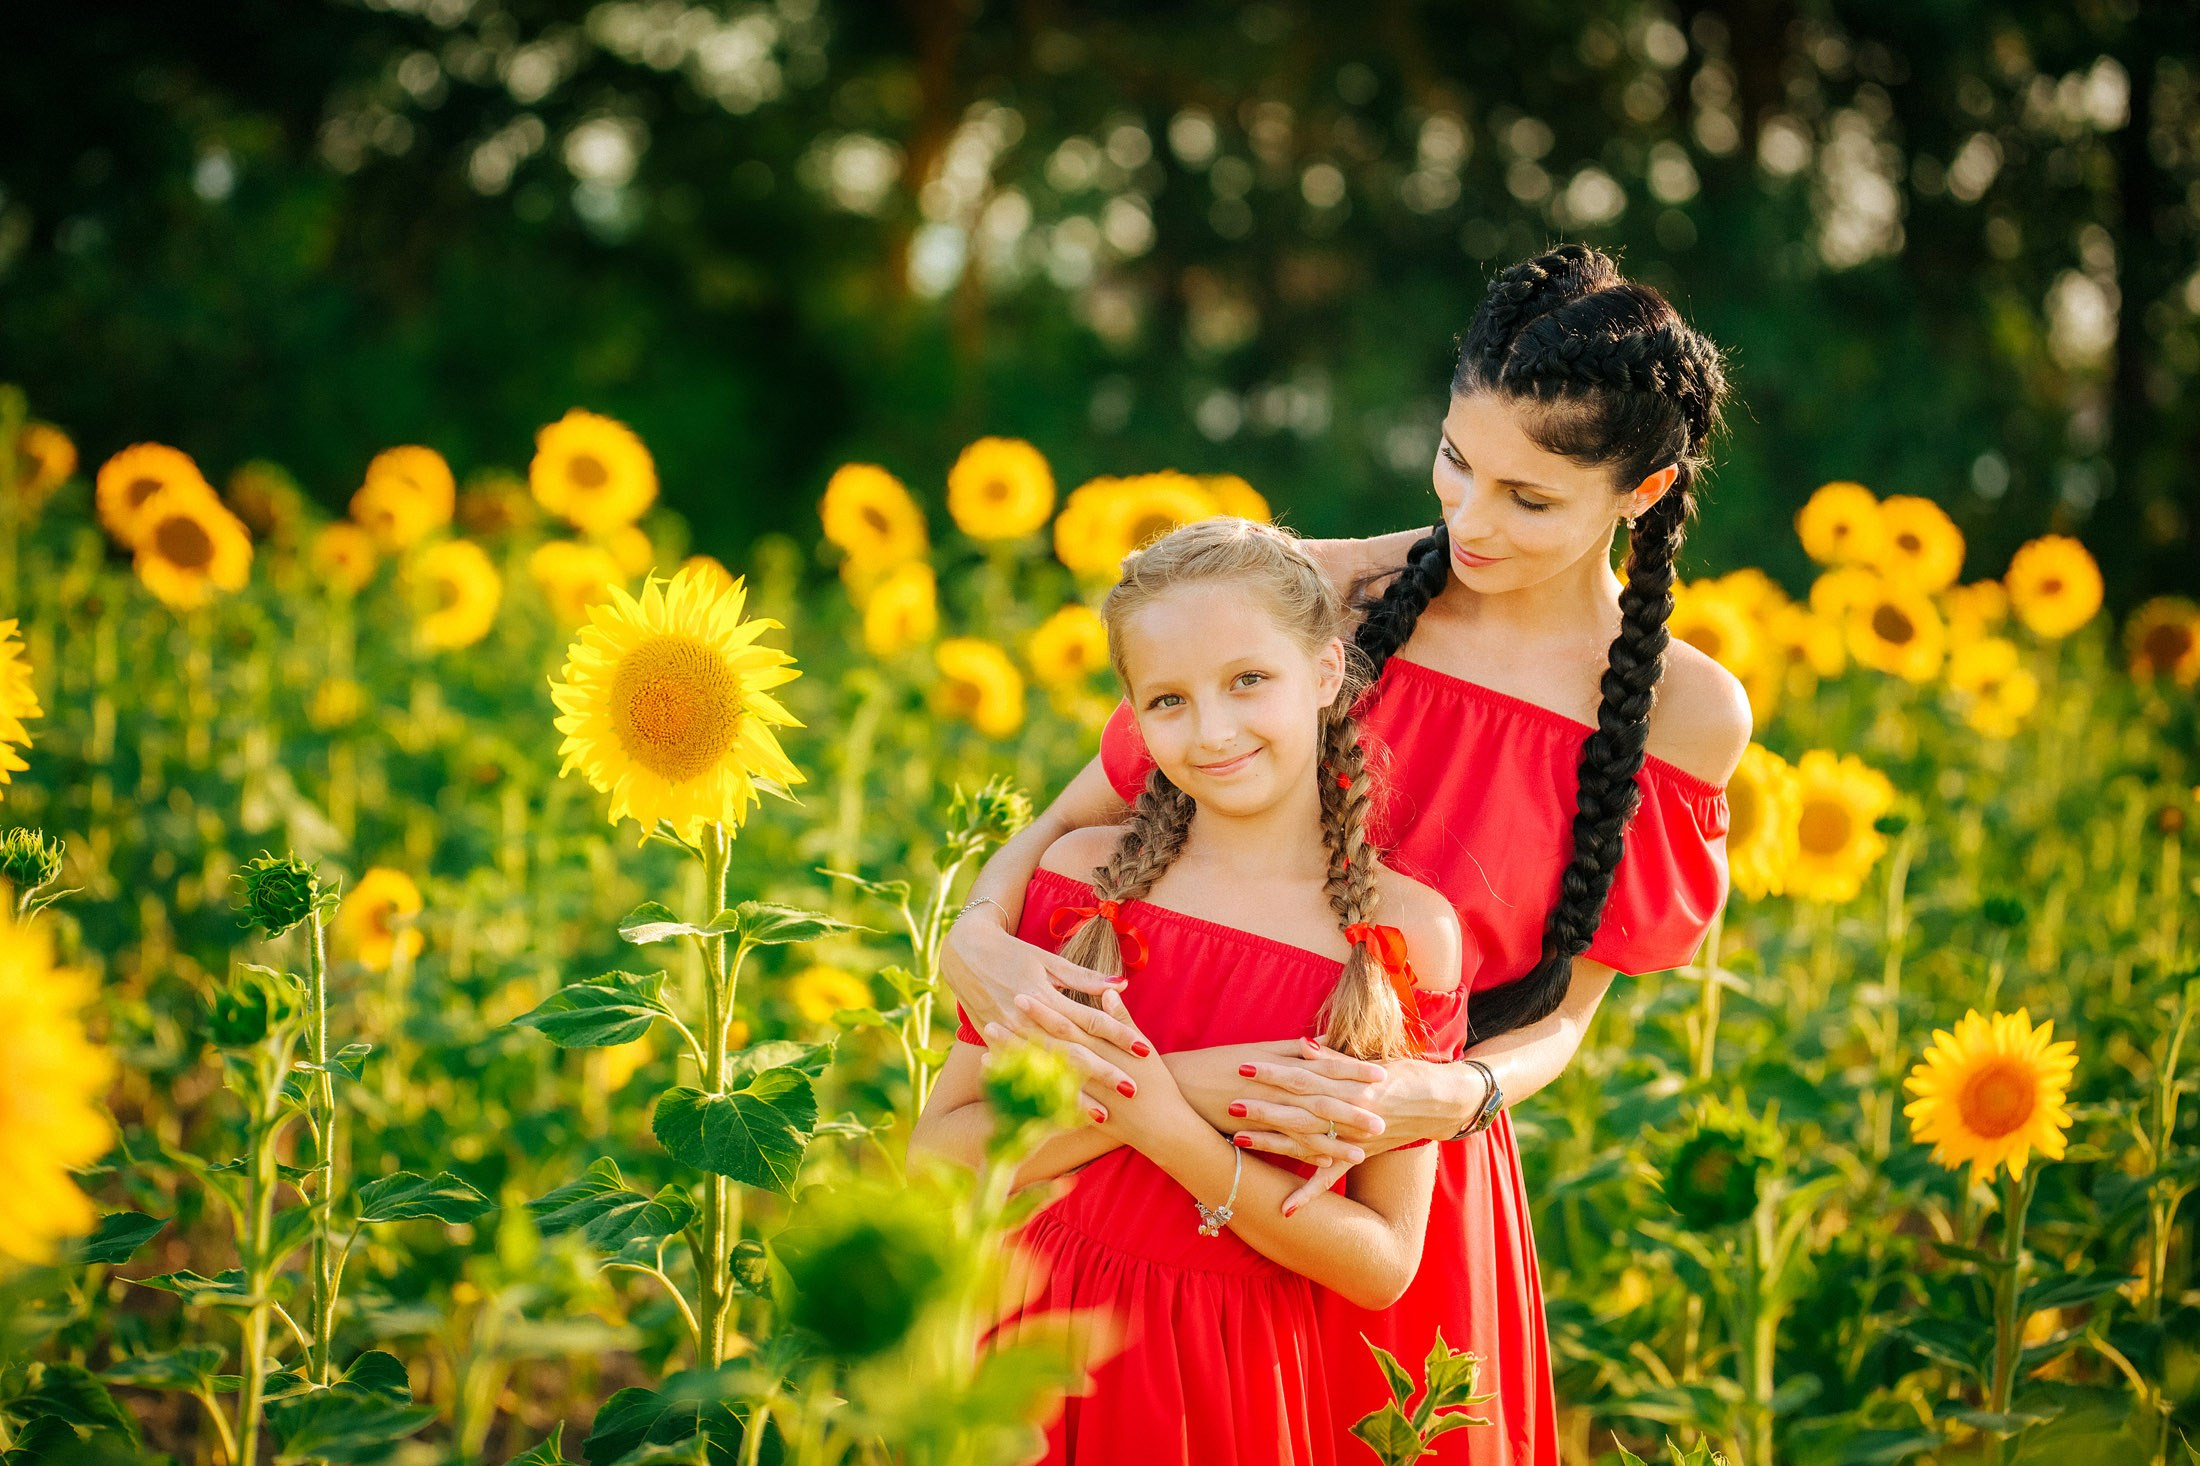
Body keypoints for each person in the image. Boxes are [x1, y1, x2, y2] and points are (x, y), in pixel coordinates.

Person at [940, 243, 1748, 1461]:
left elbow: (1569, 1017)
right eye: (1456, 463)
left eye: (1529, 499)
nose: (1469, 519)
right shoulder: (1331, 594)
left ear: (1640, 494)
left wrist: (1448, 1092)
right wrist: (973, 936)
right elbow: (1068, 826)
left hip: (1381, 1168)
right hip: (1151, 1131)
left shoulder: (1684, 711)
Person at [910, 519, 1463, 1466]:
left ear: (1327, 674)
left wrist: (1164, 1121)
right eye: (1169, 699)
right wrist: (1191, 1086)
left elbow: (1381, 1264)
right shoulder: (1079, 880)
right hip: (1037, 1341)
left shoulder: (1403, 935)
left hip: (1240, 1365)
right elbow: (937, 1158)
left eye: (1249, 680)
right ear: (1133, 715)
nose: (1213, 731)